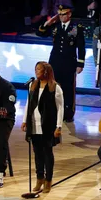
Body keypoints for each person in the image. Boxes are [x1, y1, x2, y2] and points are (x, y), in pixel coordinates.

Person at [36, 4, 85, 122]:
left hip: (69, 63)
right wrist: (47, 23)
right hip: (55, 62)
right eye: (60, 14)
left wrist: (80, 64)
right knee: (52, 87)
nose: (62, 17)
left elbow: (81, 46)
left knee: (68, 89)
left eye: (64, 14)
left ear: (69, 14)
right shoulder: (55, 26)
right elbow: (41, 33)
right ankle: (52, 111)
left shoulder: (76, 27)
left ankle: (68, 113)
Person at [21, 61, 64, 193]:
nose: (36, 71)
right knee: (37, 153)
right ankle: (39, 178)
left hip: (48, 126)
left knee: (47, 153)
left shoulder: (55, 87)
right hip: (34, 125)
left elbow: (60, 108)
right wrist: (24, 121)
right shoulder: (33, 86)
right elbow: (28, 103)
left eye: (39, 69)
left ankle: (48, 180)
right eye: (35, 69)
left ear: (46, 71)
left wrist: (59, 126)